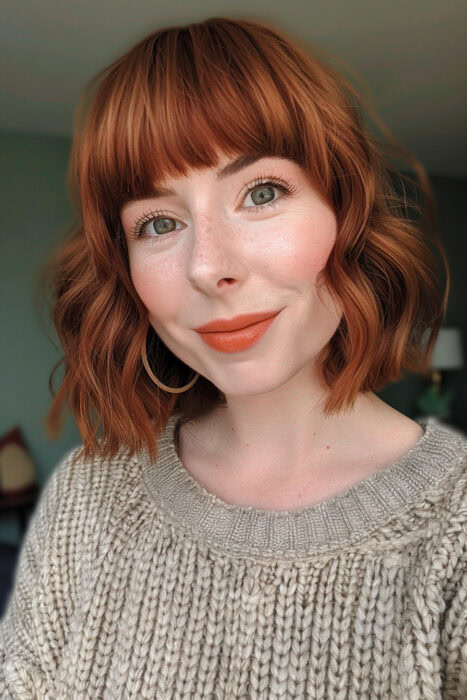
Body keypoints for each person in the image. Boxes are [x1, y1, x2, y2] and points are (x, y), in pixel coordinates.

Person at [1, 15, 466, 699]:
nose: (207, 267)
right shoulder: (86, 498)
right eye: (158, 223)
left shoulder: (454, 529)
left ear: (346, 210)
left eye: (262, 192)